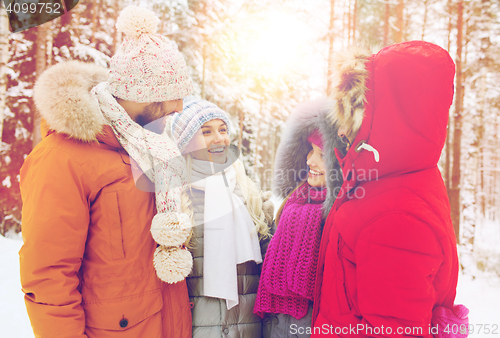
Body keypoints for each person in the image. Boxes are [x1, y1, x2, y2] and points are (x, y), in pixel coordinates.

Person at [19, 6, 194, 337]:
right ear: (139, 93)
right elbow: (48, 280)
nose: (179, 107)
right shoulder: (62, 159)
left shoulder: (150, 148)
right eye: (171, 96)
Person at [312, 41, 468, 337]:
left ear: (391, 117)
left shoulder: (395, 215)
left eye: (354, 113)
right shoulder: (390, 181)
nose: (342, 131)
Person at [170, 96, 273, 338]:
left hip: (249, 327)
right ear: (185, 143)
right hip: (197, 329)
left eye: (223, 129)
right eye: (206, 132)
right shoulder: (177, 196)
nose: (219, 138)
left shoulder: (247, 191)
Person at [253, 99, 344, 338]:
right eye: (310, 151)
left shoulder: (341, 215)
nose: (310, 161)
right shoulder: (294, 201)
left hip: (312, 324)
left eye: (322, 154)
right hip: (273, 322)